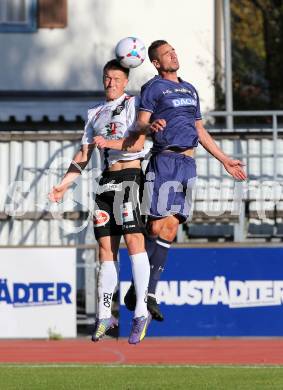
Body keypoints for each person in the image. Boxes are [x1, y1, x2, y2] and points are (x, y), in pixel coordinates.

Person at [96, 40, 247, 322]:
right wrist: (150, 126)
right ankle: (141, 289)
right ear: (155, 62)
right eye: (167, 53)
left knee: (171, 227)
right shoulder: (153, 88)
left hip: (188, 163)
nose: (173, 55)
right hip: (164, 160)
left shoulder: (190, 89)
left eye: (174, 50)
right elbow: (140, 123)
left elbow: (199, 129)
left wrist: (224, 159)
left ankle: (148, 293)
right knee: (155, 225)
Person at [48, 59, 151, 345]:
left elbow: (139, 144)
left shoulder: (134, 104)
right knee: (104, 248)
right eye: (107, 78)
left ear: (125, 81)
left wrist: (112, 144)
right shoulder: (95, 112)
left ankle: (141, 312)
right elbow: (83, 155)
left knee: (134, 241)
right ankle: (105, 314)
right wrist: (63, 185)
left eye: (116, 79)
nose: (110, 83)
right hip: (106, 182)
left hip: (130, 176)